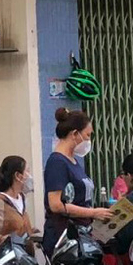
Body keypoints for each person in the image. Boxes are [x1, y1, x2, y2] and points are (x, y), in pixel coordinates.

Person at [44, 107, 112, 255]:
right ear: (74, 134)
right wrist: (93, 212)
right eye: (87, 136)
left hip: (82, 234)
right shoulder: (57, 162)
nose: (88, 141)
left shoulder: (74, 161)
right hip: (65, 239)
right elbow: (56, 205)